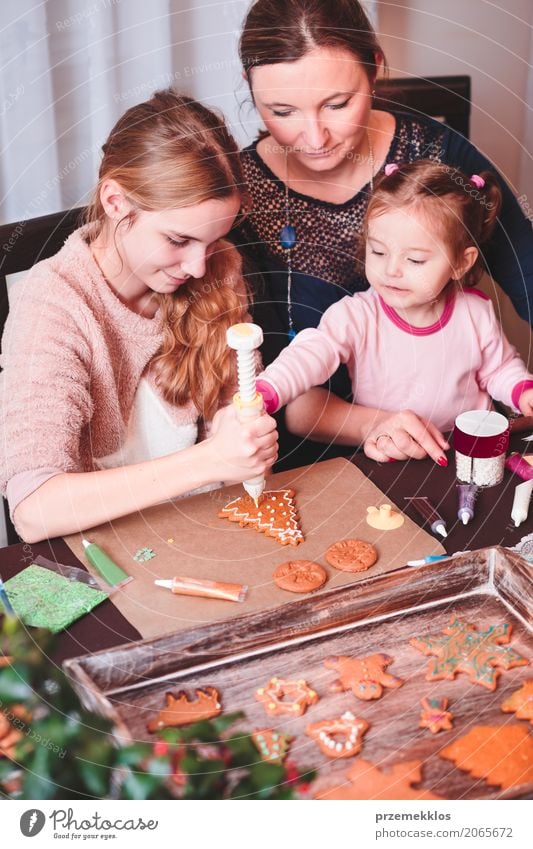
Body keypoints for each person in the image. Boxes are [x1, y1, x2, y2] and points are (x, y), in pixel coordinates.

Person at [236, 0, 533, 463]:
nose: (314, 139)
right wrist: (381, 425)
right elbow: (281, 390)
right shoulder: (238, 198)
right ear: (249, 87)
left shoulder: (439, 159)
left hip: (450, 453)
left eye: (337, 104)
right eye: (282, 110)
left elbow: (528, 274)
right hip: (310, 461)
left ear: (374, 69)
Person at [0, 90, 277, 544]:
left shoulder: (219, 268)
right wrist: (210, 461)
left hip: (205, 535)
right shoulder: (52, 304)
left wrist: (238, 431)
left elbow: (231, 421)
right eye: (177, 239)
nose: (197, 267)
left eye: (211, 242)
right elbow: (34, 509)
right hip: (101, 557)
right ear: (115, 201)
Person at [254, 160, 533, 461]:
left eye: (414, 260)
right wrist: (268, 390)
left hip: (469, 452)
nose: (391, 270)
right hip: (393, 454)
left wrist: (522, 391)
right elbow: (310, 355)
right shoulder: (355, 316)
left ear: (460, 263)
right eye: (378, 251)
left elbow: (499, 369)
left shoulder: (475, 312)